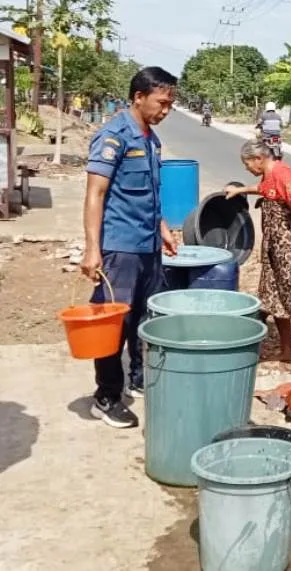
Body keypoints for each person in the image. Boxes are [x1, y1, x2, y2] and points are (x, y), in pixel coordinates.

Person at [81, 67, 179, 428]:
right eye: (162, 103)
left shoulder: (150, 139)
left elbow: (150, 195)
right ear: (139, 97)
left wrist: (163, 228)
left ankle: (138, 376)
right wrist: (93, 249)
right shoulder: (113, 137)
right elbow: (96, 193)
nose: (166, 110)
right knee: (113, 322)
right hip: (120, 248)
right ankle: (106, 395)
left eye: (170, 104)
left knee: (143, 317)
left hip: (148, 246)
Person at [225, 140, 291, 361]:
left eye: (247, 165)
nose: (247, 169)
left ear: (258, 159)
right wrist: (240, 190)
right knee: (274, 297)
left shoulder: (282, 172)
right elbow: (264, 189)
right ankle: (288, 350)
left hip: (287, 247)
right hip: (273, 247)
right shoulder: (269, 175)